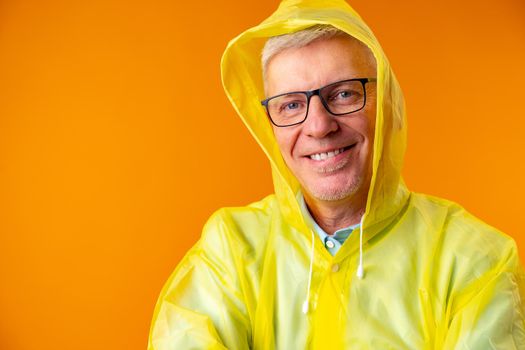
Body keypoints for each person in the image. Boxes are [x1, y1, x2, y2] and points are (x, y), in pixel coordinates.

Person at [148, 0, 525, 348]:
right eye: (291, 104)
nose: (318, 125)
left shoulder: (475, 261)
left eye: (344, 94)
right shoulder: (232, 249)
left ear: (386, 102)